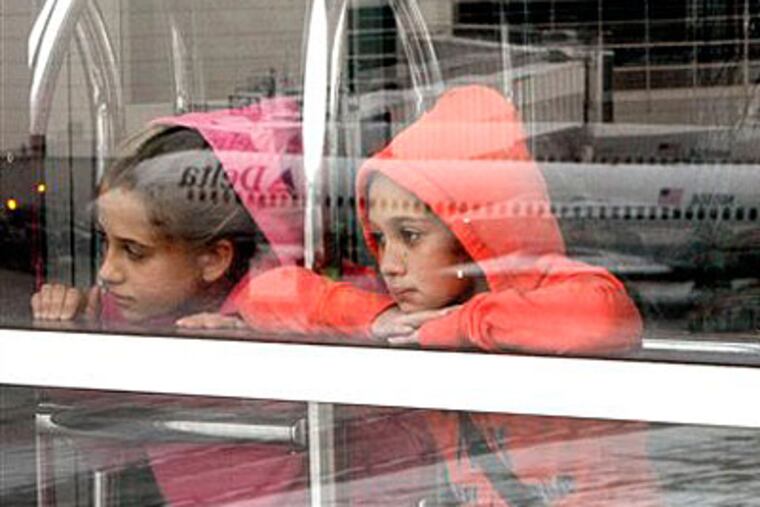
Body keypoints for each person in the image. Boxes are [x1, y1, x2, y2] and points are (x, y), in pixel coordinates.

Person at [188, 85, 657, 505]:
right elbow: (267, 292)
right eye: (379, 238)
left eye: (410, 236)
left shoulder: (559, 289)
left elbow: (597, 318)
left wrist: (456, 327)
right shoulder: (412, 308)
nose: (390, 263)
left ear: (475, 234)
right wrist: (375, 317)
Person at [31, 98, 314, 506]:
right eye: (106, 245)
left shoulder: (287, 309)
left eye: (134, 251)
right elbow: (107, 447)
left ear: (213, 259)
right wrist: (70, 338)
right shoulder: (122, 314)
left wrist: (262, 339)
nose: (107, 272)